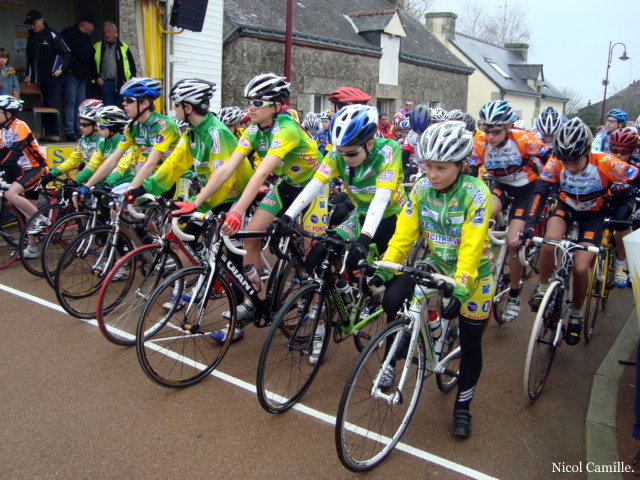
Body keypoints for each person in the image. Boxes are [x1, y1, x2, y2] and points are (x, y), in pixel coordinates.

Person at [173, 73, 327, 330]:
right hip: (287, 185)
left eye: (257, 102)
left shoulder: (286, 129)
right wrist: (196, 202)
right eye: (250, 102)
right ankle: (253, 298)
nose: (250, 108)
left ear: (275, 106)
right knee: (250, 237)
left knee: (312, 250)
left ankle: (317, 310)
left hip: (313, 188)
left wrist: (236, 211)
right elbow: (225, 169)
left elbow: (262, 172)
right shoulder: (254, 130)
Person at [370, 121, 494, 437]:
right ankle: (397, 358)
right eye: (428, 166)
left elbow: (472, 243)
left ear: (461, 165)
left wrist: (462, 284)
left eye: (441, 167)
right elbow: (405, 234)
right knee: (396, 301)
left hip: (474, 274)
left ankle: (463, 406)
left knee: (470, 341)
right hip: (435, 262)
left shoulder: (476, 192)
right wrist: (387, 264)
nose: (432, 174)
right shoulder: (422, 189)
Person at [281, 104, 406, 363]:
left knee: (385, 284)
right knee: (319, 256)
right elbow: (315, 184)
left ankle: (392, 348)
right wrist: (287, 216)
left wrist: (364, 239)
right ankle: (326, 316)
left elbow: (382, 198)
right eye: (340, 152)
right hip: (361, 214)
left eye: (350, 153)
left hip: (391, 217)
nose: (344, 158)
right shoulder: (339, 154)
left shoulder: (387, 150)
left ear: (370, 141)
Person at [525, 118, 640, 345]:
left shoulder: (606, 162)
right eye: (564, 160)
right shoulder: (557, 161)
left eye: (574, 160)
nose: (568, 166)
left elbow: (636, 177)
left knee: (580, 268)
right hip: (566, 207)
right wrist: (530, 223)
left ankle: (577, 313)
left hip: (593, 215)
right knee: (549, 241)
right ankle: (542, 286)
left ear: (587, 152)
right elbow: (540, 190)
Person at [468, 99, 551, 323]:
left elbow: (552, 160)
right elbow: (471, 173)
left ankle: (514, 294)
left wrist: (551, 186)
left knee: (514, 242)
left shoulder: (524, 139)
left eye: (495, 132)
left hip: (527, 189)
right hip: (501, 186)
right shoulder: (479, 142)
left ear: (508, 128)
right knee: (479, 216)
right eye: (486, 131)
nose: (490, 137)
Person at [79, 77, 180, 193]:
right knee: (117, 207)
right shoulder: (131, 127)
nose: (124, 103)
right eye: (124, 100)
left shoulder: (165, 125)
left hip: (176, 178)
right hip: (154, 178)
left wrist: (130, 190)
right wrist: (87, 186)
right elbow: (113, 159)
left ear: (145, 103)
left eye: (129, 100)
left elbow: (151, 163)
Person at [0, 95, 48, 258]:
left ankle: (41, 219)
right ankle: (32, 248)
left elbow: (16, 151)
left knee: (11, 194)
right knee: (28, 209)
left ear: (8, 113)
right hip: (25, 170)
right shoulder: (4, 130)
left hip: (37, 168)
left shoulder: (19, 125)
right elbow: (2, 153)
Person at [23, 10, 71, 142]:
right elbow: (30, 59)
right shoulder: (31, 38)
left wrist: (60, 69)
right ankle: (48, 132)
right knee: (45, 105)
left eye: (34, 23)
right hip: (40, 80)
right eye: (30, 25)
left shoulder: (52, 34)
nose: (32, 27)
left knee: (52, 105)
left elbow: (66, 53)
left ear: (41, 20)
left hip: (54, 78)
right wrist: (29, 74)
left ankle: (55, 133)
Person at [605, 127, 640, 287]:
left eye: (623, 152)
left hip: (627, 199)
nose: (618, 155)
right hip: (608, 198)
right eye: (615, 151)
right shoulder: (605, 160)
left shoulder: (637, 164)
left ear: (632, 151)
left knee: (620, 222)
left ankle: (621, 265)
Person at [41, 99, 102, 186]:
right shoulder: (84, 139)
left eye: (84, 125)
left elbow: (93, 166)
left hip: (102, 181)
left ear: (96, 125)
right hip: (89, 181)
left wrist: (76, 181)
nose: (80, 127)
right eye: (79, 124)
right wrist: (53, 173)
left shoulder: (102, 140)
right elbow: (72, 160)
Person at [61, 14, 95, 141]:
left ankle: (80, 130)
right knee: (70, 102)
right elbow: (63, 53)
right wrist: (67, 68)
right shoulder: (69, 33)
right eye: (92, 26)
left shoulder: (87, 38)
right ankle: (69, 130)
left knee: (81, 104)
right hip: (72, 74)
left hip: (83, 75)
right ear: (86, 24)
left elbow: (90, 57)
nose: (92, 30)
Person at [92, 21, 137, 107]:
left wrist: (130, 80)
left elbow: (132, 66)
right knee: (106, 108)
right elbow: (92, 64)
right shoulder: (97, 47)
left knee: (121, 107)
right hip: (105, 83)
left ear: (115, 33)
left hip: (121, 83)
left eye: (109, 31)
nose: (106, 34)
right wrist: (97, 77)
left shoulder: (123, 47)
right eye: (104, 32)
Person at [402, 104, 431, 181]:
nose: (419, 134)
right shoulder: (412, 134)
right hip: (417, 163)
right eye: (417, 132)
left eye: (422, 132)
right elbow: (404, 156)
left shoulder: (433, 132)